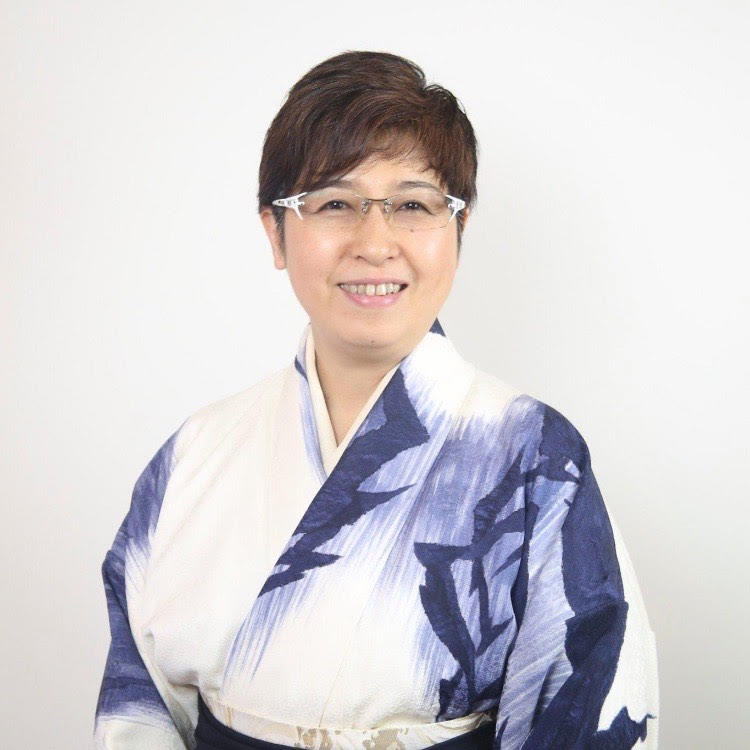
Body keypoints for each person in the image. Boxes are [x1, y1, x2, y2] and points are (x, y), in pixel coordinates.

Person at [94, 51, 659, 750]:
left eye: (413, 205)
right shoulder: (194, 455)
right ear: (275, 231)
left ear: (459, 229)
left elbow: (583, 704)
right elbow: (137, 704)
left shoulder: (535, 456)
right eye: (335, 203)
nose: (375, 243)